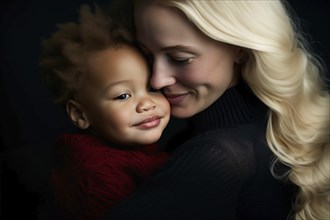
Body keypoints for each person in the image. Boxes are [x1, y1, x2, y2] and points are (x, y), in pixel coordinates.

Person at [102, 1, 330, 220]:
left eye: (180, 58)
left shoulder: (217, 158)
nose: (158, 79)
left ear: (239, 48)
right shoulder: (268, 125)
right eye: (148, 55)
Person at [39, 4, 170, 220]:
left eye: (152, 88)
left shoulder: (138, 150)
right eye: (123, 96)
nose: (146, 104)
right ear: (81, 115)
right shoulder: (98, 177)